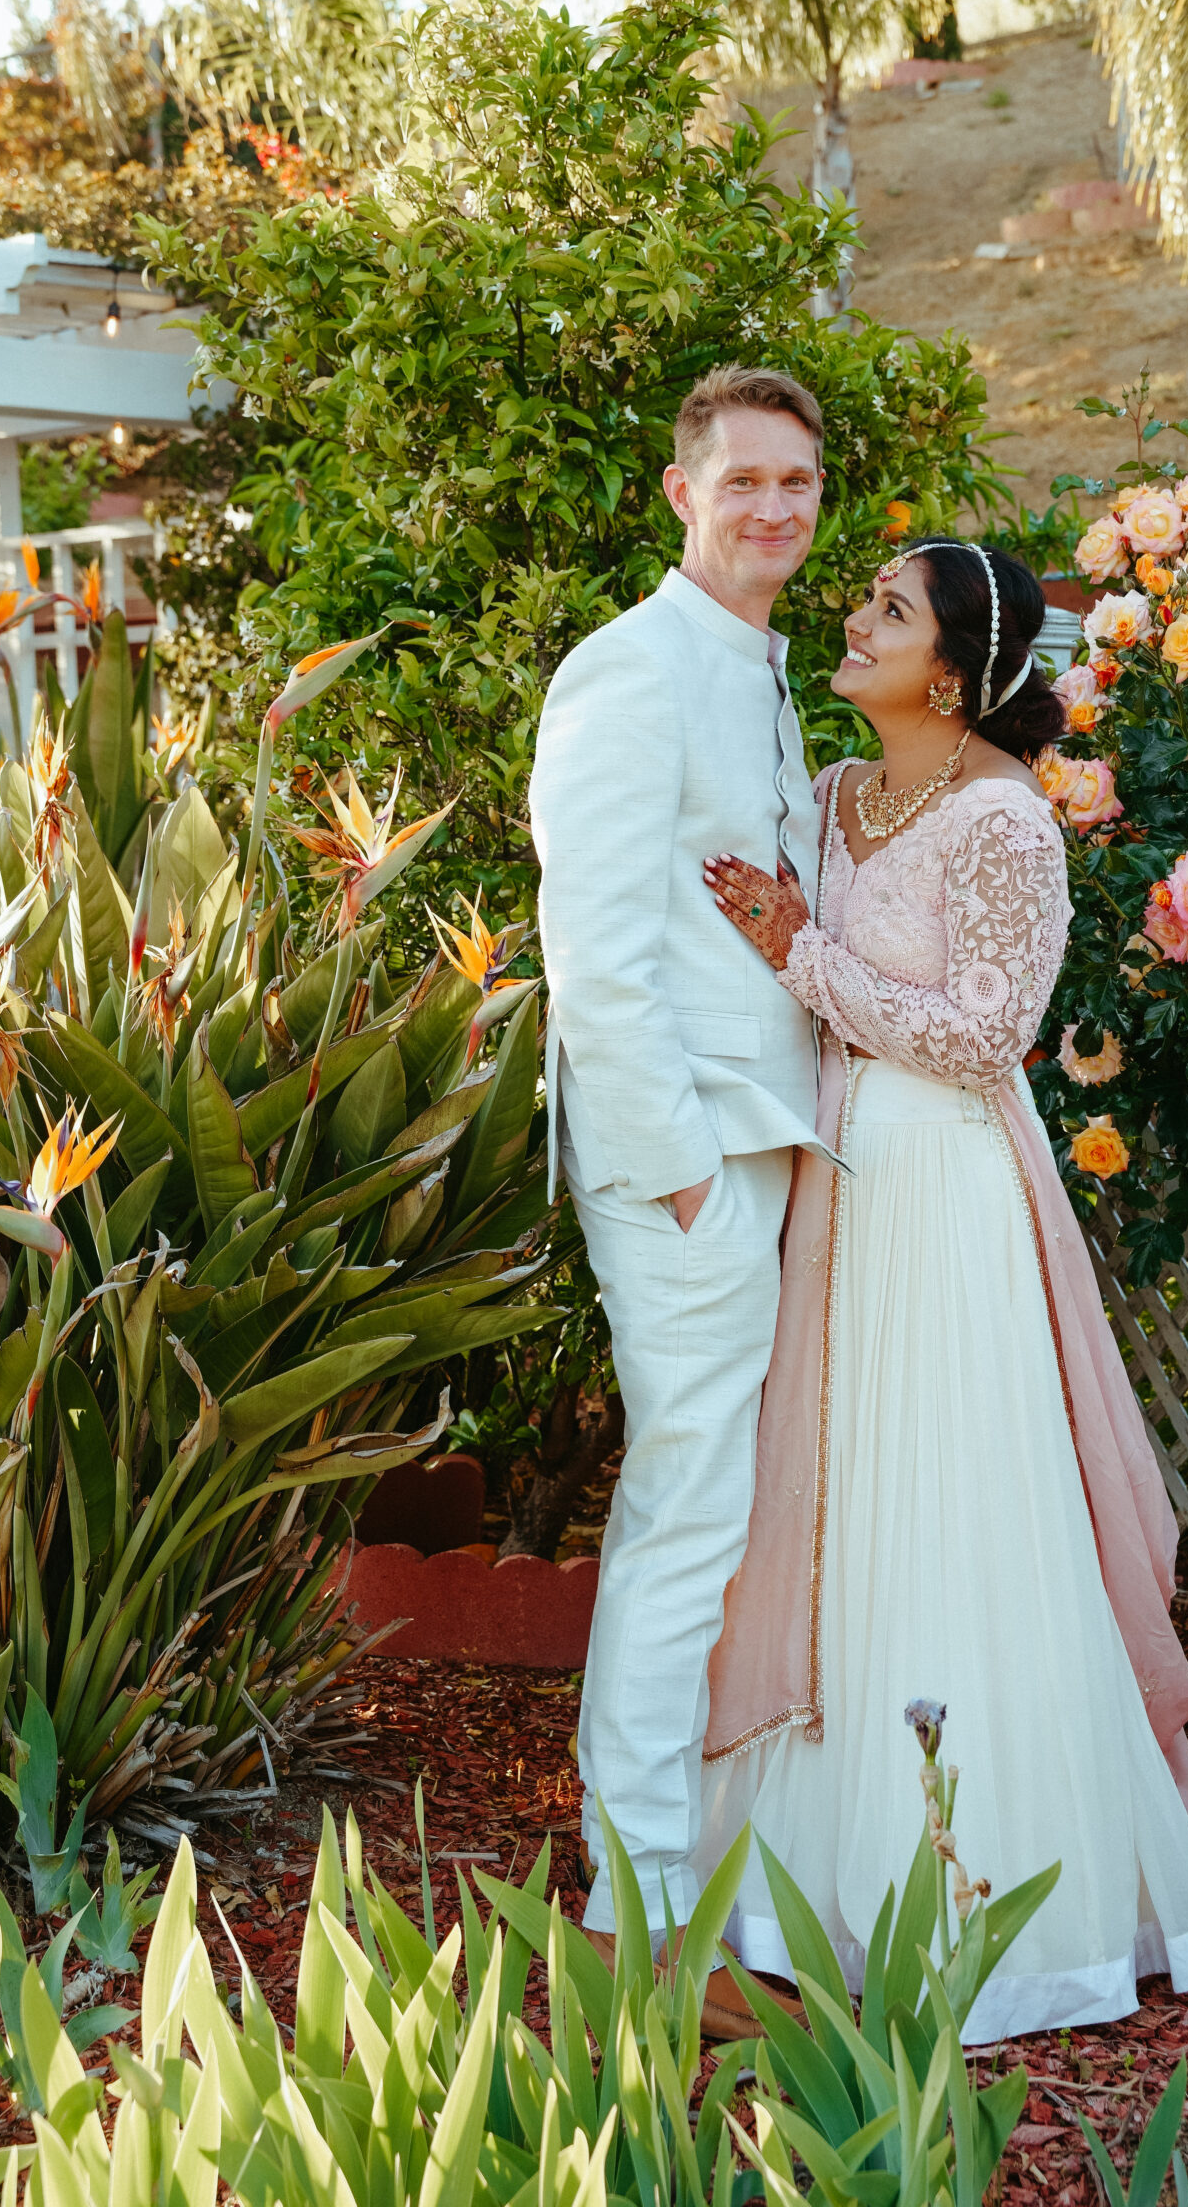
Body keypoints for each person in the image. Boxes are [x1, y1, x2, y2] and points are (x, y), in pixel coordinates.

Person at [698, 538, 1188, 2039]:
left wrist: (805, 954)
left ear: (951, 670)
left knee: (945, 1507)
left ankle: (995, 1914)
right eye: (863, 594)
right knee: (839, 1502)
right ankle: (808, 1887)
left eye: (887, 610)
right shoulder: (834, 794)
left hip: (940, 1190)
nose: (852, 620)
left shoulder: (1008, 825)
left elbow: (984, 1033)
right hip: (834, 1182)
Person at [528, 364, 834, 2035]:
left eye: (797, 483)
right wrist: (686, 1180)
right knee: (684, 1523)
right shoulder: (628, 673)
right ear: (680, 494)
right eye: (745, 484)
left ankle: (684, 1880)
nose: (774, 510)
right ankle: (636, 1918)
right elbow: (597, 963)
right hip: (690, 1168)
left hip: (758, 1147)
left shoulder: (762, 669)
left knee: (711, 1521)